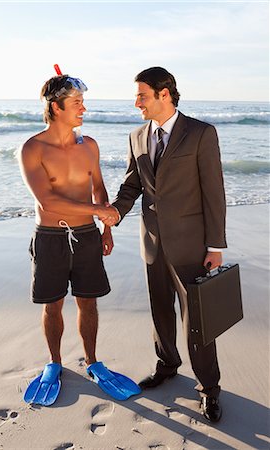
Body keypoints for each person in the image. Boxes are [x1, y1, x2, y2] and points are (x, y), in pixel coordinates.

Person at [105, 67, 226, 422]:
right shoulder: (137, 135)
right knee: (160, 310)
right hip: (152, 241)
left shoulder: (202, 133)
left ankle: (209, 389)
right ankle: (167, 365)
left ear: (164, 94)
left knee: (198, 320)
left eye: (141, 95)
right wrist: (114, 212)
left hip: (192, 245)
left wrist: (215, 245)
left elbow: (214, 192)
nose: (136, 102)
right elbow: (132, 185)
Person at [18, 74, 119, 372]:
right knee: (54, 304)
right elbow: (47, 201)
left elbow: (99, 188)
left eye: (83, 102)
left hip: (88, 235)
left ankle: (92, 360)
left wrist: (106, 227)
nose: (83, 109)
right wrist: (98, 211)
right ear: (57, 108)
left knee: (89, 302)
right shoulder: (32, 149)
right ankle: (55, 362)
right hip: (51, 236)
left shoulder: (89, 146)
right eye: (77, 103)